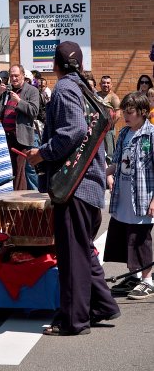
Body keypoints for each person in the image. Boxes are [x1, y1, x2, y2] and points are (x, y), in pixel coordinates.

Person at [26, 41, 120, 336]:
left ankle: (73, 321)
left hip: (74, 187)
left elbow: (75, 130)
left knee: (72, 257)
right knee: (82, 252)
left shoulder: (66, 88)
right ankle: (103, 305)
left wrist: (43, 153)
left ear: (56, 64)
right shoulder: (83, 86)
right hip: (86, 185)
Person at [104, 92, 154, 299]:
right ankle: (134, 275)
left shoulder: (151, 134)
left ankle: (148, 279)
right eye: (124, 110)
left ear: (143, 112)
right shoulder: (124, 133)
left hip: (142, 196)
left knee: (141, 239)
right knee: (127, 237)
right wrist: (107, 174)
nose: (126, 115)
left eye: (130, 111)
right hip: (123, 196)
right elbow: (116, 161)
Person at [0, 64, 40, 190]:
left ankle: (26, 198)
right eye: (11, 76)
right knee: (11, 170)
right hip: (6, 138)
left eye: (16, 76)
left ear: (22, 75)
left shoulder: (32, 90)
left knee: (23, 171)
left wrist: (19, 102)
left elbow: (34, 111)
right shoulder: (7, 91)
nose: (13, 78)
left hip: (21, 138)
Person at [97, 75, 121, 165]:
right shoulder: (97, 95)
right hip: (97, 128)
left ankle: (110, 173)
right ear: (100, 84)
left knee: (110, 153)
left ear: (111, 85)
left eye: (108, 83)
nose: (105, 85)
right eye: (103, 83)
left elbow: (118, 115)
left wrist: (110, 126)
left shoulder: (113, 97)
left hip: (108, 129)